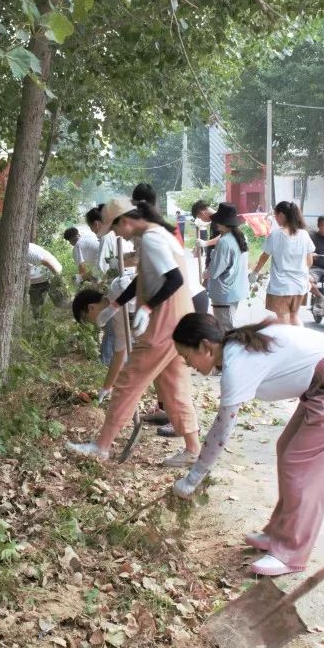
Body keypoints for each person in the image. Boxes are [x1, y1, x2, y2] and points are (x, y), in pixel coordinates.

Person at [170, 313, 324, 576]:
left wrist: (193, 478)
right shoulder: (236, 347)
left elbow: (221, 431)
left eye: (187, 357)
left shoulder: (237, 363)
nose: (188, 365)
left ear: (205, 347)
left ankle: (291, 553)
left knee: (301, 467)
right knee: (286, 447)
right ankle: (279, 532)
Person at [66, 197, 201, 467]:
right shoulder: (155, 235)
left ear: (125, 221)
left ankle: (102, 447)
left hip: (163, 324)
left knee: (127, 383)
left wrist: (147, 308)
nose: (117, 235)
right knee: (173, 386)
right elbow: (144, 278)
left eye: (115, 229)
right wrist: (116, 305)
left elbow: (174, 279)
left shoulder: (151, 239)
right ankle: (193, 449)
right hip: (179, 323)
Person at [72, 276, 134, 405]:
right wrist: (106, 388)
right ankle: (163, 409)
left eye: (86, 319)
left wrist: (129, 280)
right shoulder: (118, 323)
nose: (91, 323)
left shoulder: (117, 287)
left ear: (91, 307)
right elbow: (118, 355)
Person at [250, 201, 314, 326]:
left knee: (283, 318)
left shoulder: (276, 235)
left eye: (276, 215)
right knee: (294, 316)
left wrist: (255, 273)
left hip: (281, 286)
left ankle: (286, 339)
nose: (275, 218)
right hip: (300, 285)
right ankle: (299, 338)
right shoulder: (304, 234)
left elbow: (264, 257)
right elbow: (310, 262)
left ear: (282, 215)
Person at [203, 203, 249, 331]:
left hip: (224, 293)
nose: (216, 223)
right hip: (236, 288)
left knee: (225, 329)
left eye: (218, 220)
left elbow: (215, 271)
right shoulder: (242, 236)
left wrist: (206, 273)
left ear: (224, 223)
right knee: (228, 324)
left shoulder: (224, 242)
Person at [0, 241, 62, 317]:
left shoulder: (26, 251)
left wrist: (58, 278)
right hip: (36, 281)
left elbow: (47, 261)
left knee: (61, 304)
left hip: (51, 276)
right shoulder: (10, 257)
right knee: (37, 311)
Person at [191, 199, 219, 267]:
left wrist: (206, 243)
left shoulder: (221, 218)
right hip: (212, 261)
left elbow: (226, 236)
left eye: (200, 218)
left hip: (218, 261)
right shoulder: (214, 220)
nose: (202, 220)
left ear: (202, 212)